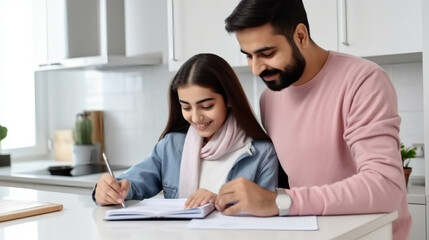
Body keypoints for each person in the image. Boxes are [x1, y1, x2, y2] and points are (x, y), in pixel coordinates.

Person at [215, 0, 411, 239]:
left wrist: (280, 201)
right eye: (248, 56)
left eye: (267, 53)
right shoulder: (269, 99)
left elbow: (385, 187)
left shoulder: (364, 81)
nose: (256, 68)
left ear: (300, 35)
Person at [93, 53, 278, 209]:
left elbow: (267, 212)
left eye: (206, 106)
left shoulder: (262, 154)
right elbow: (132, 182)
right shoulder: (170, 146)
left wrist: (218, 202)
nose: (196, 118)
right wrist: (109, 189)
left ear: (229, 99)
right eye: (187, 107)